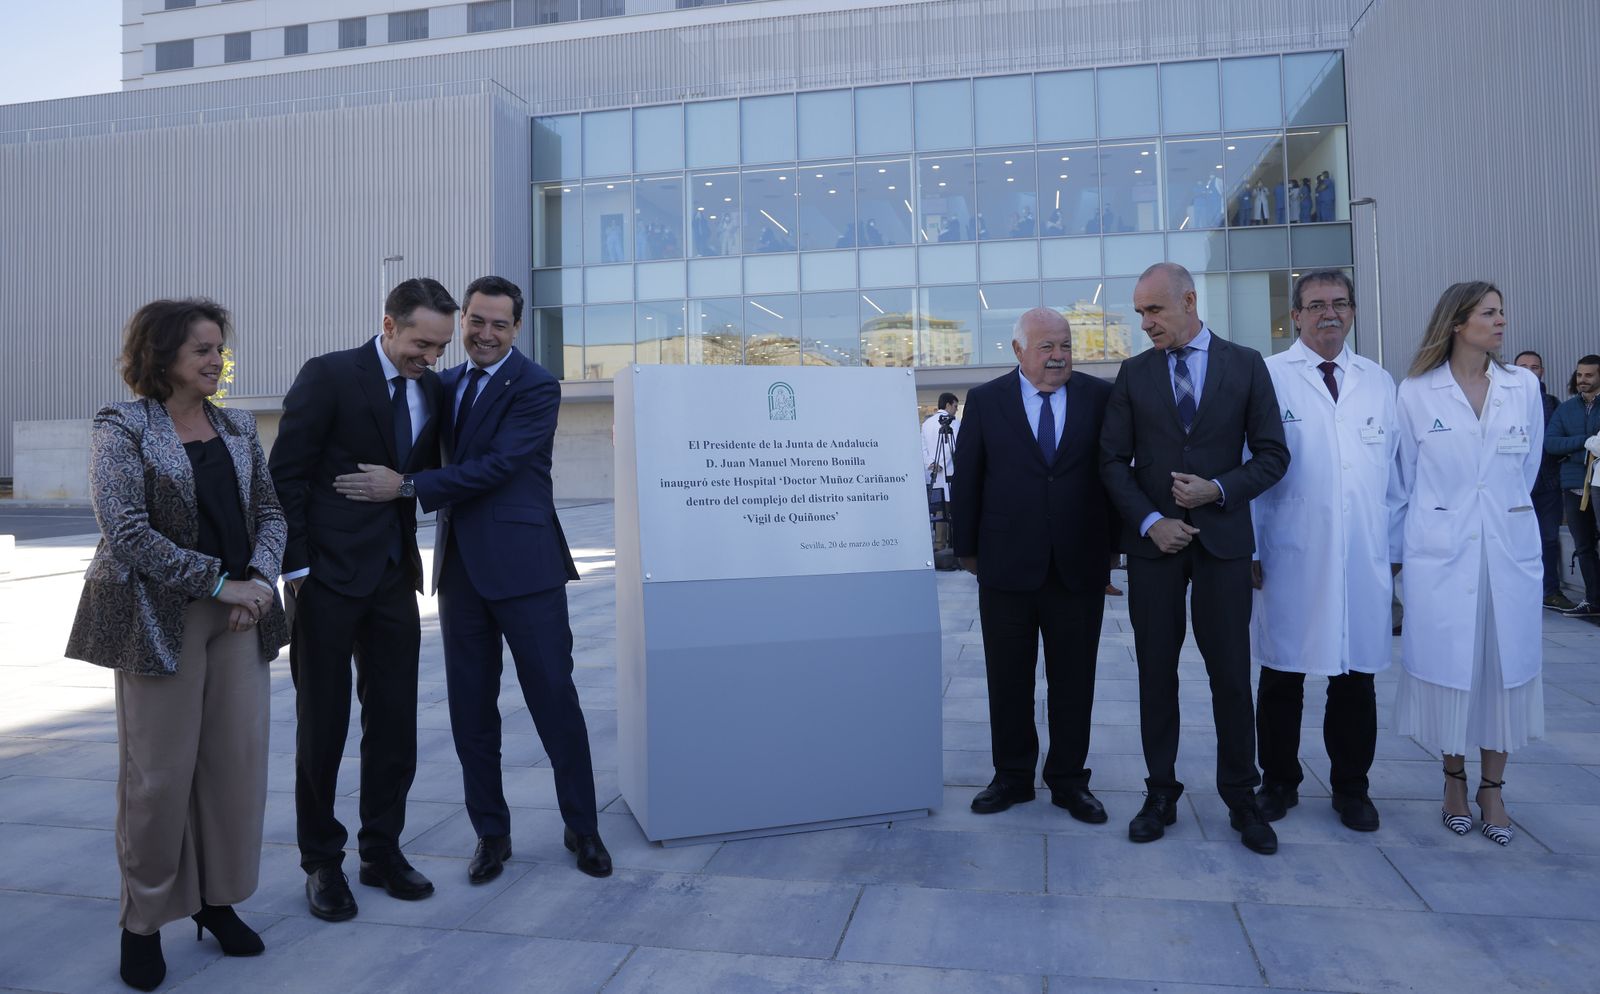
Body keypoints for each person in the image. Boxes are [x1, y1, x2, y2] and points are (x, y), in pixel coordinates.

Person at [334, 277, 613, 883]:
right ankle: (491, 833)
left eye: (500, 325)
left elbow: (501, 464)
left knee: (553, 702)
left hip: (527, 569)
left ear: (517, 329)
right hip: (460, 572)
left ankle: (583, 826)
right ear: (462, 323)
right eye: (477, 322)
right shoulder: (441, 383)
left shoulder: (536, 385)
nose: (486, 334)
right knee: (470, 712)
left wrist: (406, 488)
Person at [66, 298, 287, 990]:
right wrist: (222, 584)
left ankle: (216, 903)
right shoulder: (123, 425)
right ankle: (143, 921)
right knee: (157, 780)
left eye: (219, 348)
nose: (216, 360)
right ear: (161, 357)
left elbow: (272, 514)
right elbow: (126, 530)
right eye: (201, 350)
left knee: (233, 771)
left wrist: (256, 581)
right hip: (159, 620)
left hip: (238, 620)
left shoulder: (238, 425)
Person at [268, 278, 453, 921]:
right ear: (389, 324)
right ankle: (321, 862)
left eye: (439, 347)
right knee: (323, 726)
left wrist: (406, 486)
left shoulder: (432, 387)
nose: (429, 357)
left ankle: (382, 850)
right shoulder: (328, 375)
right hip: (326, 581)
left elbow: (425, 471)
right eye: (421, 343)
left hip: (392, 578)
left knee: (396, 723)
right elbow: (284, 476)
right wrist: (298, 571)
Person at [1100, 262, 1289, 854]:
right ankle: (1161, 793)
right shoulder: (1133, 374)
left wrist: (1219, 489)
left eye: (1153, 311)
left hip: (1224, 546)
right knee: (1156, 674)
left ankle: (1241, 795)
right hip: (1157, 550)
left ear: (1188, 300)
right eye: (1139, 314)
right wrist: (1152, 523)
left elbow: (1272, 455)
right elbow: (1111, 462)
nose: (1145, 323)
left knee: (1231, 675)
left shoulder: (1246, 364)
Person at [1394, 282, 1544, 845]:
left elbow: (1525, 466)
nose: (1501, 321)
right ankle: (1454, 780)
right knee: (1456, 670)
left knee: (1503, 671)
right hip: (1444, 552)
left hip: (1506, 548)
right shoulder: (1416, 392)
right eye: (1489, 313)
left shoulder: (1522, 386)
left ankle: (1493, 788)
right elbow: (1405, 477)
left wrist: (1494, 512)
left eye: (1502, 311)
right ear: (1457, 322)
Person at [1250, 270, 1400, 833]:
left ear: (1354, 311)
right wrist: (1248, 546)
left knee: (1356, 677)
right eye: (1315, 305)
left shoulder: (1378, 382)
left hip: (1361, 554)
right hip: (1288, 552)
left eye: (1339, 303)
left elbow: (1397, 479)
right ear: (1296, 316)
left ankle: (1351, 788)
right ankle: (1279, 782)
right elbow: (1245, 466)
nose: (1328, 314)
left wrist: (1394, 550)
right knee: (1283, 674)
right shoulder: (1268, 377)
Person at [953, 308, 1117, 822]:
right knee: (1009, 679)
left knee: (1074, 680)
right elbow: (968, 481)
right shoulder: (985, 401)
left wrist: (1112, 552)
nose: (1058, 355)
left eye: (1065, 345)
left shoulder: (1098, 397)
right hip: (1005, 569)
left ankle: (1069, 780)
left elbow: (1112, 476)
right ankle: (1013, 777)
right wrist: (968, 552)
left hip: (1077, 567)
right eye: (1046, 346)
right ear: (1018, 350)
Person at [1514, 351, 1574, 611]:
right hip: (1513, 485)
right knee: (1514, 539)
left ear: (1542, 372)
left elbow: (1559, 438)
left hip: (1547, 484)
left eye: (1535, 367)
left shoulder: (1551, 402)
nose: (1529, 371)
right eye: (1523, 367)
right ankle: (1515, 592)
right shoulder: (1501, 400)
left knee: (1548, 538)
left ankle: (1550, 591)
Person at [1545, 354, 1600, 618]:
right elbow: (1552, 444)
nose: (1582, 380)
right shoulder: (1565, 409)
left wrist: (1574, 450)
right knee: (1583, 545)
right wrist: (1587, 442)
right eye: (1579, 375)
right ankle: (1593, 600)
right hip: (1574, 486)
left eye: (1589, 375)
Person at [921, 392, 961, 504]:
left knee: (938, 511)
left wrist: (930, 463)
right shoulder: (955, 423)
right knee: (952, 509)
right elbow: (956, 446)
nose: (956, 410)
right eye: (955, 406)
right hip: (949, 473)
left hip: (932, 475)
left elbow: (922, 448)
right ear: (948, 405)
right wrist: (941, 464)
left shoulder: (926, 424)